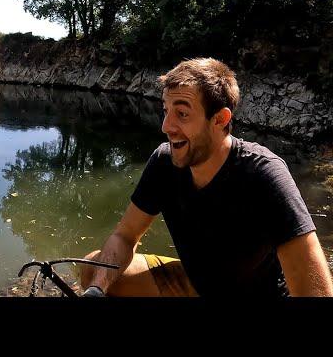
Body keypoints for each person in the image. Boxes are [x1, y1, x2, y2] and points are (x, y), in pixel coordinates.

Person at [79, 57, 333, 297]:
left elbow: (314, 287)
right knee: (94, 268)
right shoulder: (164, 162)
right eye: (166, 110)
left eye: (182, 114)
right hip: (197, 284)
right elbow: (125, 236)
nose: (166, 126)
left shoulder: (264, 174)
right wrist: (97, 290)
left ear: (220, 119)